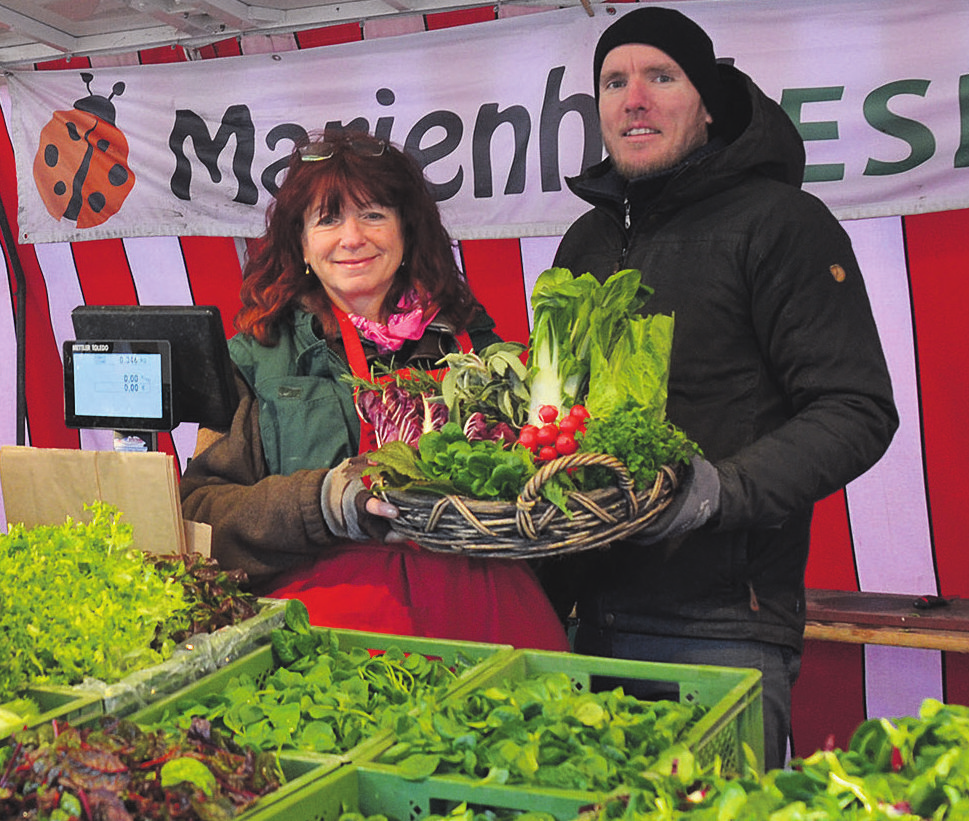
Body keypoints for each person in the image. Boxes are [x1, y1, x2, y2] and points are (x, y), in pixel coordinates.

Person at [546, 6, 899, 769]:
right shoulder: (587, 240)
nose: (632, 99)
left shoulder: (782, 223)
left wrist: (714, 492)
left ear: (705, 102)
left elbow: (855, 407)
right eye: (613, 81)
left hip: (720, 625)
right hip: (589, 615)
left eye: (659, 77)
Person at [181, 129, 569, 651]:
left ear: (407, 230)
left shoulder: (477, 345)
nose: (352, 237)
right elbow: (201, 517)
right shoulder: (257, 357)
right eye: (328, 219)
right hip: (330, 636)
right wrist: (321, 502)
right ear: (300, 243)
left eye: (373, 214)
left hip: (488, 619)